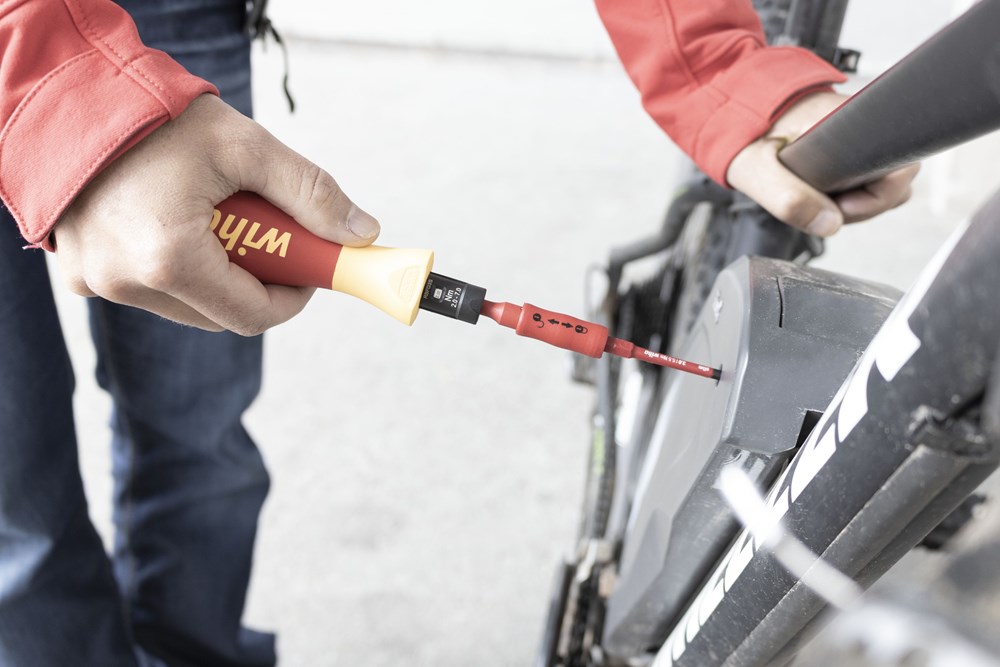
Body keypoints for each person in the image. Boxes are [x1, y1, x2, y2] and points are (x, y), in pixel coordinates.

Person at [0, 1, 917, 665]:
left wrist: (718, 68)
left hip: (163, 17)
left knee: (200, 435)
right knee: (19, 504)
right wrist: (58, 92)